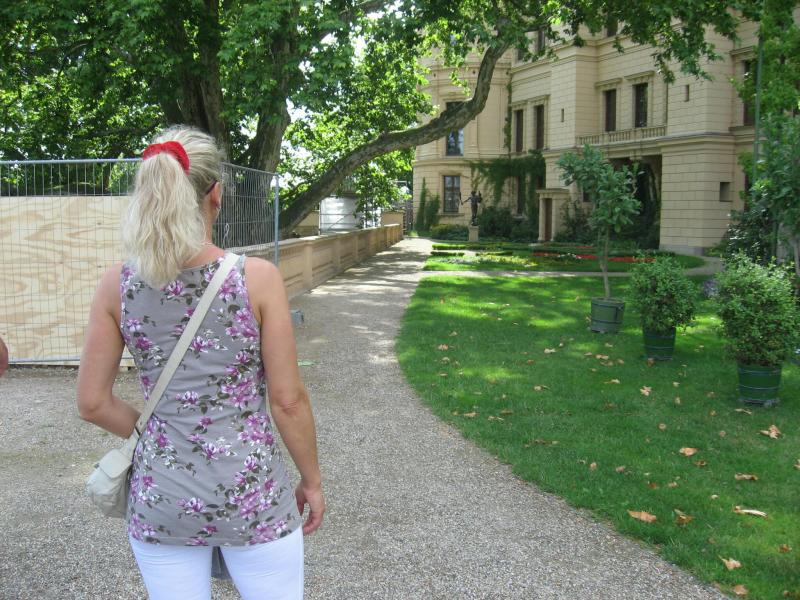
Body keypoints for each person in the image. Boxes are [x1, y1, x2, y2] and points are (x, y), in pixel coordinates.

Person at [76, 126, 324, 600]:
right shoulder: (256, 279)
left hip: (161, 498)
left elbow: (91, 403)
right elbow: (288, 401)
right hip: (251, 493)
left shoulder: (117, 285)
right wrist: (311, 481)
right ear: (216, 194)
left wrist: (162, 431)